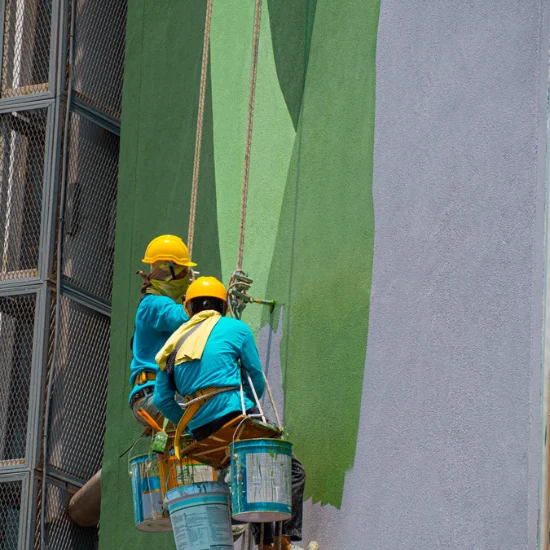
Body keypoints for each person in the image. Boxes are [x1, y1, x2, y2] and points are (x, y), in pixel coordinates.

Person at [153, 277, 308, 550]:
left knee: (253, 475)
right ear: (223, 306)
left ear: (188, 309)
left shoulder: (172, 345)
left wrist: (188, 426)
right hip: (234, 421)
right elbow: (256, 378)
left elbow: (162, 399)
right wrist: (245, 405)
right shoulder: (235, 328)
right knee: (290, 471)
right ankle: (282, 541)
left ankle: (266, 544)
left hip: (202, 433)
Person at [128, 234, 196, 427]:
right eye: (185, 273)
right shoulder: (155, 304)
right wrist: (206, 297)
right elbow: (185, 317)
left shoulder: (150, 305)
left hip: (149, 395)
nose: (187, 279)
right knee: (206, 418)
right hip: (153, 396)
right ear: (170, 271)